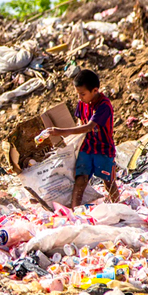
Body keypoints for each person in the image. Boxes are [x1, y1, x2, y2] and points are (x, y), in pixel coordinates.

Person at [43, 69, 120, 208]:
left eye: (83, 94)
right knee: (81, 179)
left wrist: (60, 131)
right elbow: (80, 124)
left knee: (108, 181)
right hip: (86, 147)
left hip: (103, 148)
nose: (80, 97)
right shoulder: (82, 103)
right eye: (78, 94)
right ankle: (75, 211)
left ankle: (118, 208)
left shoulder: (104, 106)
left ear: (95, 90)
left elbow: (88, 127)